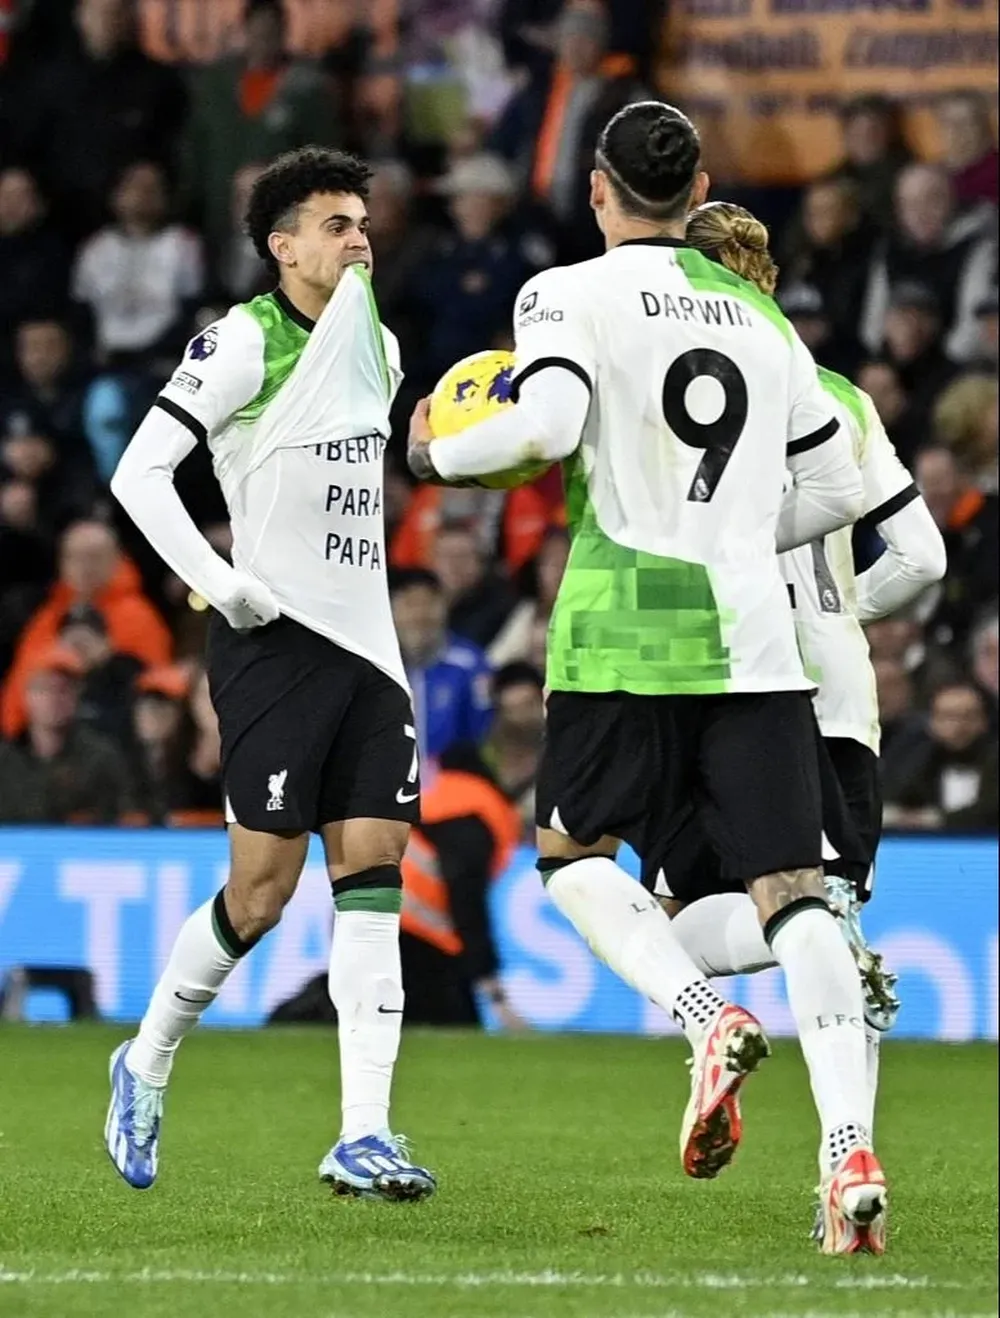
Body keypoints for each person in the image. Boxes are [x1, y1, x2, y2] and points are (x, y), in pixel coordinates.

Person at [408, 101, 878, 1248]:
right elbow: (838, 489)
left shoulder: (564, 293)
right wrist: (733, 537)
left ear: (597, 191)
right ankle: (846, 1155)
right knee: (795, 891)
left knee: (571, 859)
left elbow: (543, 427)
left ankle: (703, 1015)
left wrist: (432, 452)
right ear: (699, 186)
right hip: (754, 638)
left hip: (624, 627)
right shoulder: (762, 315)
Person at [105, 147, 436, 1200]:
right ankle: (146, 1057)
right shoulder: (242, 340)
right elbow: (138, 473)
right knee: (260, 895)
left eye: (362, 222)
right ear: (282, 245)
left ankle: (364, 1131)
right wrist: (220, 583)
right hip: (275, 645)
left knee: (374, 872)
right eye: (335, 225)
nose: (358, 239)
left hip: (370, 652)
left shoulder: (378, 343)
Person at [661, 200, 948, 1250]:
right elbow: (923, 556)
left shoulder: (671, 383)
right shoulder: (838, 394)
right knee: (825, 926)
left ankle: (783, 975)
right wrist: (838, 611)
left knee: (671, 926)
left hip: (715, 681)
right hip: (837, 694)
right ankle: (847, 1170)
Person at [399, 663, 543, 1029]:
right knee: (455, 1031)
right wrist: (492, 988)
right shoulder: (474, 810)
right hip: (417, 940)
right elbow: (465, 896)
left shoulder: (453, 788)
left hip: (389, 923)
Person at [389, 567, 494, 767]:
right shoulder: (378, 667)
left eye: (429, 603)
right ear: (391, 609)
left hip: (456, 780)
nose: (420, 615)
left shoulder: (470, 665)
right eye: (409, 604)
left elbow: (483, 735)